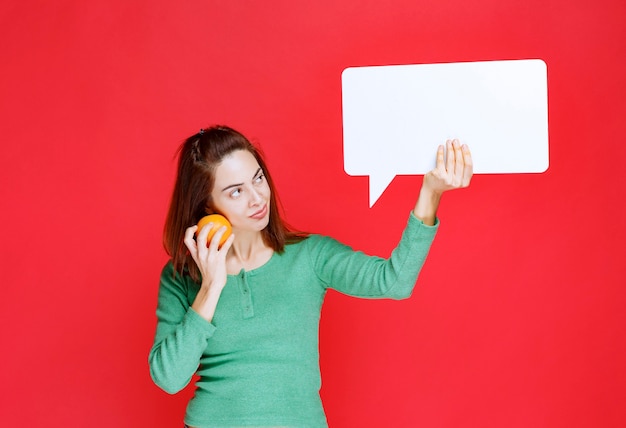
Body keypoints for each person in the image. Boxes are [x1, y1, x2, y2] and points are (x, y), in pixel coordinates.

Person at [149, 125, 472, 428]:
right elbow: (169, 378)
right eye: (236, 192)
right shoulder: (181, 276)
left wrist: (430, 194)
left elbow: (394, 281)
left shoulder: (311, 256)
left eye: (258, 178)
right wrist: (211, 285)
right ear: (207, 206)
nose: (257, 198)